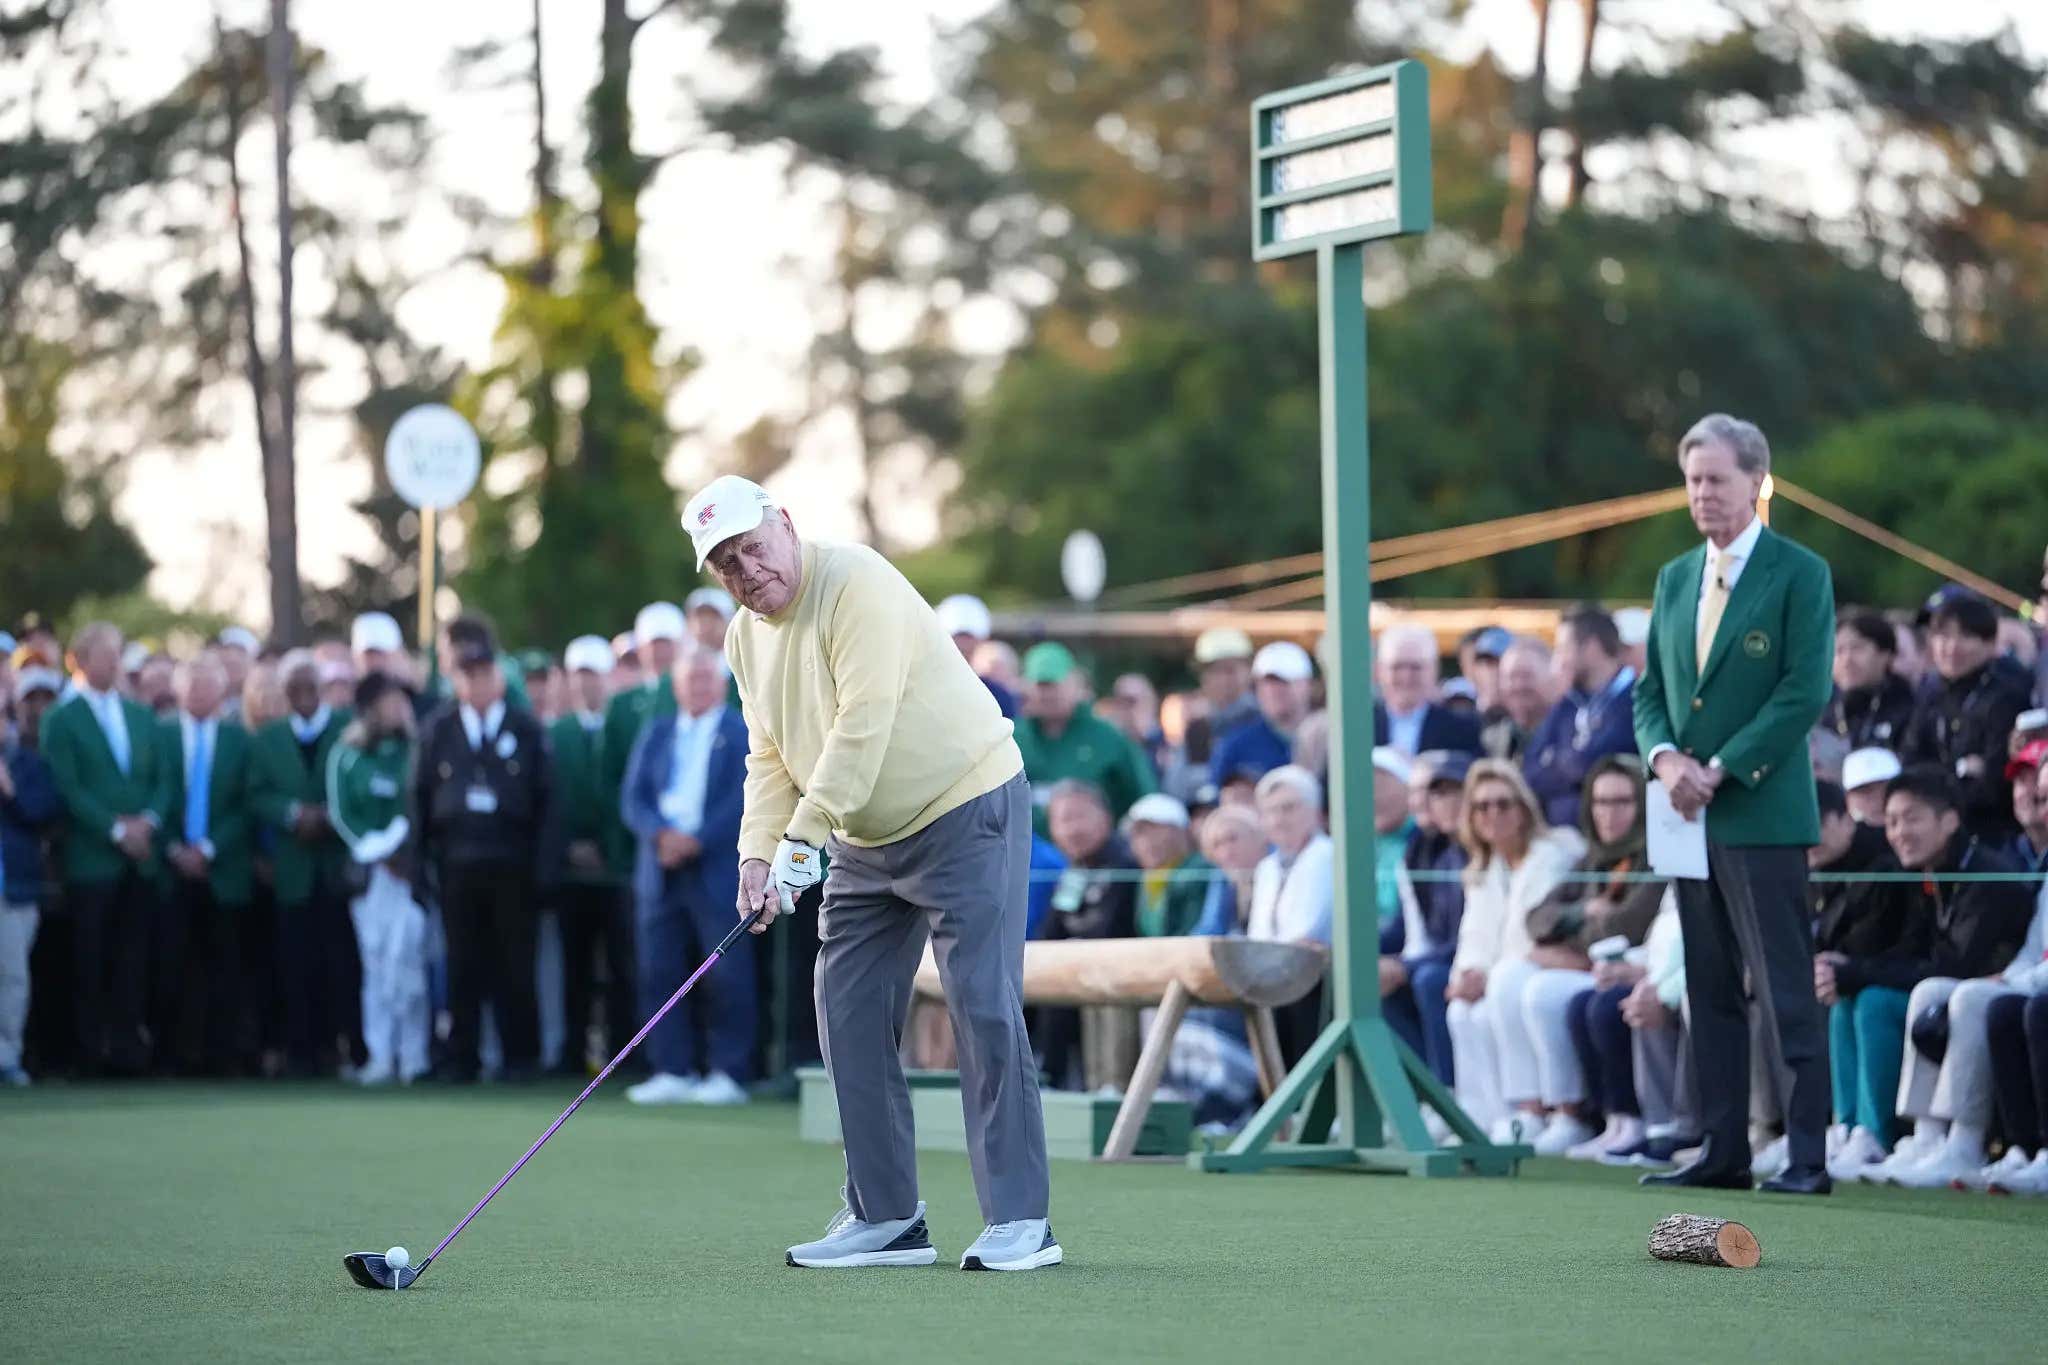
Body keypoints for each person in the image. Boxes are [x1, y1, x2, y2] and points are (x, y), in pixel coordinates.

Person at [686, 473, 1055, 1273]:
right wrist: (758, 853)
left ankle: (1022, 1219)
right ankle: (886, 1215)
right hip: (864, 834)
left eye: (753, 547)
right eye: (727, 565)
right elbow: (769, 754)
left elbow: (865, 724)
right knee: (844, 1004)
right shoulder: (743, 639)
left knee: (982, 1004)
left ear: (785, 524)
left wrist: (803, 842)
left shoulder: (857, 581)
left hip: (965, 802)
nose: (747, 571)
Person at [1634, 413, 1836, 1195]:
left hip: (1760, 810)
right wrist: (1664, 759)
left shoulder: (1799, 571)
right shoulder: (1675, 576)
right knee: (1709, 985)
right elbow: (1651, 690)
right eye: (1693, 480)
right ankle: (1722, 1149)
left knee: (1783, 986)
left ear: (1758, 479)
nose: (1702, 495)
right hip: (1685, 812)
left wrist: (1718, 766)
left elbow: (1801, 692)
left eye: (1716, 478)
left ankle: (1807, 1155)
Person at [1837, 768, 2035, 1187]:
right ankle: (1923, 1138)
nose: (1898, 832)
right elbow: (1914, 956)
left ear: (1949, 821)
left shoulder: (1987, 874)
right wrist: (1847, 969)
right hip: (1987, 983)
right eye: (1891, 821)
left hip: (2005, 987)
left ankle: (1963, 1143)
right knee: (1902, 992)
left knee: (1950, 995)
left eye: (1911, 818)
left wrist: (1856, 972)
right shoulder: (1927, 872)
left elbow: (1958, 965)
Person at [415, 622, 554, 1083]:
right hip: (457, 865)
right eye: (466, 673)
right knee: (462, 965)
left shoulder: (526, 728)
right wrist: (420, 866)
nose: (475, 681)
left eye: (483, 671)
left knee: (516, 964)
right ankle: (462, 1057)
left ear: (498, 674)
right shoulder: (438, 729)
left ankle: (520, 1058)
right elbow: (418, 798)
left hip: (513, 864)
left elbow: (548, 802)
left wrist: (544, 871)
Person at [619, 645, 751, 1106]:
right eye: (690, 678)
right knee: (660, 969)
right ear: (675, 685)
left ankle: (727, 1072)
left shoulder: (738, 732)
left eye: (705, 677)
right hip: (661, 868)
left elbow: (742, 798)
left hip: (714, 866)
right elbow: (633, 798)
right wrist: (662, 836)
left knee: (726, 973)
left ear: (720, 684)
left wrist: (698, 839)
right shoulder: (657, 732)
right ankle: (671, 1068)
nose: (698, 685)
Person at [42, 622, 172, 1076]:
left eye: (117, 654)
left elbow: (162, 779)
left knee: (133, 959)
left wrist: (147, 824)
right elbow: (69, 788)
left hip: (140, 862)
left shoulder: (140, 715)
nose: (115, 663)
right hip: (93, 861)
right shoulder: (61, 718)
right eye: (104, 654)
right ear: (78, 660)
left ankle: (127, 1050)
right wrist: (116, 831)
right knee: (89, 961)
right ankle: (88, 1052)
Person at [1528, 758, 1667, 1158]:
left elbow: (1626, 924)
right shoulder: (1591, 859)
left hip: (1637, 968)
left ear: (1641, 805)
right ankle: (1601, 1118)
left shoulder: (1653, 855)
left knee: (1594, 1007)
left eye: (1622, 802)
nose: (1609, 813)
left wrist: (1572, 938)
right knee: (1563, 999)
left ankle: (1627, 1117)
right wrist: (1582, 912)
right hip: (1601, 968)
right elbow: (1536, 919)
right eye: (1601, 802)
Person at [1442, 759, 1585, 1141]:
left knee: (1506, 986)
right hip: (1503, 972)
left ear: (1523, 809)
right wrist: (1467, 974)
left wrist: (1484, 978)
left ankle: (1538, 1109)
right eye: (1481, 806)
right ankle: (1485, 1114)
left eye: (1503, 804)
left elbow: (1534, 933)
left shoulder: (1549, 856)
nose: (1493, 814)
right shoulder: (1483, 870)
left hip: (1540, 966)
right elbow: (1474, 937)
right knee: (1461, 1010)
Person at [250, 650, 360, 1077]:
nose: (304, 696)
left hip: (333, 865)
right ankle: (301, 1051)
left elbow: (355, 781)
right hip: (293, 868)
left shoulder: (345, 729)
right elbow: (256, 794)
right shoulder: (268, 738)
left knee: (338, 961)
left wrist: (331, 816)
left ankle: (337, 1047)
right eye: (294, 688)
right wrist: (294, 814)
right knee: (294, 963)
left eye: (311, 686)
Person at [327, 671, 430, 1086]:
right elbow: (341, 813)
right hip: (370, 876)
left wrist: (406, 850)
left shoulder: (416, 749)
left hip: (410, 874)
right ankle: (381, 1055)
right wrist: (377, 850)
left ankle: (415, 1056)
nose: (398, 708)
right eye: (389, 700)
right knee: (376, 965)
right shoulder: (348, 754)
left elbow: (421, 804)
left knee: (410, 959)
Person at [159, 653, 255, 1076]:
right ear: (178, 691)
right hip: (170, 870)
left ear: (223, 691)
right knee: (172, 966)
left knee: (226, 968)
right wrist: (174, 849)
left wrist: (210, 848)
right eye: (192, 685)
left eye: (207, 684)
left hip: (223, 871)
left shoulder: (240, 740)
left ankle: (224, 1056)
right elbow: (150, 794)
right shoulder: (158, 736)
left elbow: (245, 804)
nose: (199, 692)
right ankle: (175, 1055)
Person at [547, 634, 634, 1075]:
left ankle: (622, 1055)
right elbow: (550, 802)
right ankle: (572, 1054)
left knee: (622, 965)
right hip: (570, 873)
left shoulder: (624, 727)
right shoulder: (557, 733)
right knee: (574, 968)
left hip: (617, 869)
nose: (586, 685)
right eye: (579, 676)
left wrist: (607, 848)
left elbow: (625, 795)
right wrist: (570, 848)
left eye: (593, 676)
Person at [1904, 592, 2032, 846]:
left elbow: (1997, 783)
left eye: (1965, 636)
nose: (1951, 647)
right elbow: (1911, 763)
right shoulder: (1930, 697)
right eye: (1942, 636)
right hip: (1932, 833)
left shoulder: (2006, 698)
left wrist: (1942, 783)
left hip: (1992, 836)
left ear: (1991, 643)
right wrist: (1961, 773)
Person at [1038, 779, 1140, 1091]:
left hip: (1120, 982)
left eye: (1078, 817)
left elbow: (1109, 929)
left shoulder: (1125, 864)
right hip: (1074, 978)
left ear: (1106, 819)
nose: (1071, 829)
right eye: (1062, 820)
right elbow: (1050, 932)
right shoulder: (1074, 871)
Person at [1385, 752, 1470, 1085]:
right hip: (1439, 957)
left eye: (1443, 792)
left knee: (1428, 979)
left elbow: (1466, 937)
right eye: (1419, 791)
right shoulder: (1425, 849)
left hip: (1465, 961)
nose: (1427, 802)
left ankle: (1444, 1091)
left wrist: (1405, 967)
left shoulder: (1469, 850)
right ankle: (1418, 1092)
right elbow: (1409, 928)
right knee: (1365, 980)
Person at [1013, 641, 1155, 830]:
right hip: (1027, 853)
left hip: (1100, 856)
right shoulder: (1012, 739)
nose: (1048, 693)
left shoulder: (1109, 737)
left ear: (1075, 682)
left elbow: (1144, 800)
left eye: (1054, 684)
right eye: (1041, 685)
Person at [1246, 765, 1335, 1064]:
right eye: (1270, 811)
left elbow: (1308, 927)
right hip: (1274, 969)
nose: (1279, 819)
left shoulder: (1327, 854)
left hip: (1315, 973)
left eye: (1289, 808)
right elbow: (1258, 931)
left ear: (1314, 811)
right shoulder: (1267, 868)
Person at [0, 667, 62, 1086]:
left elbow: (41, 813)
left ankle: (7, 1057)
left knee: (12, 974)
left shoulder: (26, 762)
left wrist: (9, 790)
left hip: (15, 885)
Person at [1525, 608, 1638, 828]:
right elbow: (1531, 770)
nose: (1560, 659)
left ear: (1592, 647)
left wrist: (1557, 761)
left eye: (1564, 648)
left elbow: (1589, 764)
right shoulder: (1568, 704)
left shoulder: (1636, 701)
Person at [1209, 642, 1315, 787]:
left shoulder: (1332, 738)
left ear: (1307, 684)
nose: (1272, 690)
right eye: (1265, 683)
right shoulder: (1236, 745)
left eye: (1283, 682)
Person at [1373, 626, 1479, 758]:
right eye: (1397, 666)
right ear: (1379, 670)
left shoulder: (1463, 731)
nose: (1406, 676)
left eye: (1416, 667)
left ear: (1434, 669)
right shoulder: (1360, 726)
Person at [1123, 794, 1211, 938]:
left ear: (1180, 831)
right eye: (1137, 833)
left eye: (1153, 829)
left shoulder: (1199, 870)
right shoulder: (1147, 880)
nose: (1145, 841)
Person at [1825, 611, 1915, 751]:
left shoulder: (1909, 708)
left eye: (1857, 648)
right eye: (1839, 650)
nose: (1847, 660)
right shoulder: (1820, 708)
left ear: (1886, 654)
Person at [936, 594, 1018, 719]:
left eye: (968, 637)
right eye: (957, 636)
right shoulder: (919, 687)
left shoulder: (998, 696)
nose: (962, 644)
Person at [1481, 639, 1554, 762]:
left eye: (1526, 675)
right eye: (1511, 677)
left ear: (1550, 678)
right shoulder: (1490, 742)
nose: (1518, 685)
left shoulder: (1571, 736)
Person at [1456, 626, 1512, 716]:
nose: (1491, 672)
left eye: (1499, 662)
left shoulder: (1527, 717)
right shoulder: (1458, 715)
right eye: (1485, 663)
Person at [1840, 746, 1901, 826]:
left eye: (1887, 789)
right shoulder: (1836, 837)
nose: (1878, 798)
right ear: (1848, 798)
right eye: (1865, 791)